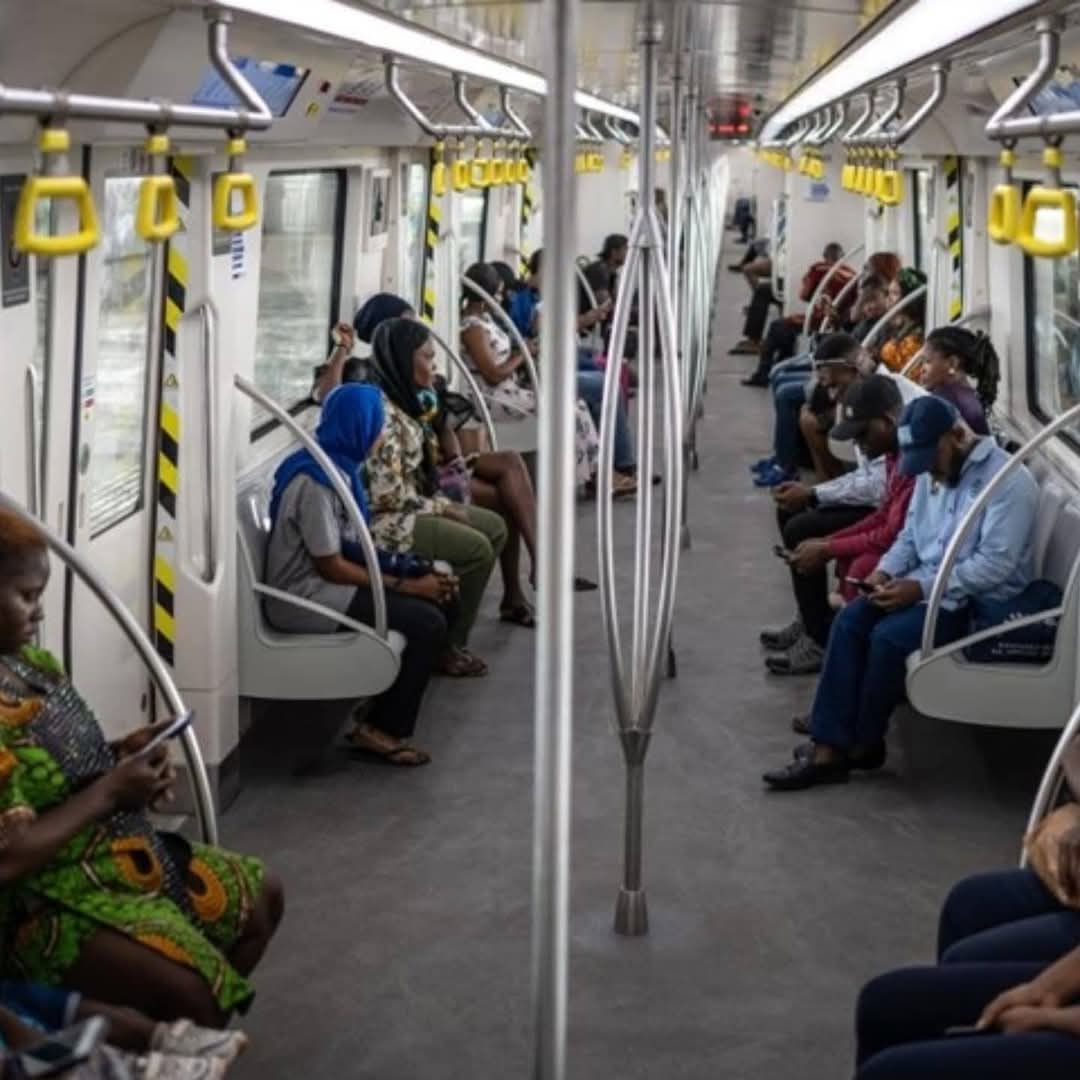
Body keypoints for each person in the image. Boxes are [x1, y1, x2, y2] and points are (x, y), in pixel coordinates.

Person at [0, 511, 283, 1024]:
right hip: (34, 899)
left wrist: (121, 753)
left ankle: (173, 1036)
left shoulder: (30, 667)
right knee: (193, 992)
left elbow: (55, 762)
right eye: (26, 596)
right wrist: (110, 792)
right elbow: (8, 858)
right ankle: (175, 1033)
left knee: (262, 897)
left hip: (107, 852)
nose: (38, 613)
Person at [763, 395, 1039, 790]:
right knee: (850, 619)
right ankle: (828, 745)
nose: (929, 472)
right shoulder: (931, 472)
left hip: (974, 600)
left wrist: (920, 587)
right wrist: (884, 571)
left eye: (931, 459)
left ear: (958, 436)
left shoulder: (1009, 484)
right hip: (925, 585)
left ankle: (862, 743)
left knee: (888, 639)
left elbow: (994, 567)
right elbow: (910, 536)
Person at [266, 384, 456, 762]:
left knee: (439, 590)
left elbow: (355, 546)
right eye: (378, 426)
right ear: (358, 426)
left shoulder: (341, 468)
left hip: (327, 583)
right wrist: (407, 586)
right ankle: (381, 729)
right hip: (304, 596)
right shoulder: (315, 484)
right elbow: (331, 565)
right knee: (426, 621)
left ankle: (387, 705)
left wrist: (414, 569)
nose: (381, 434)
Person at [366, 318, 511, 672]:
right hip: (385, 521)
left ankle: (452, 633)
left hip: (411, 505)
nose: (434, 366)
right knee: (475, 547)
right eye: (427, 357)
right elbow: (386, 497)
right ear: (403, 359)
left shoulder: (409, 401)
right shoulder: (382, 414)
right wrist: (442, 509)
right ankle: (446, 646)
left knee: (495, 527)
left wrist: (441, 505)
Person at [766, 376, 916, 678]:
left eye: (862, 435)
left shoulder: (911, 462)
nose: (859, 445)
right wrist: (827, 543)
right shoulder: (890, 451)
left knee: (818, 538)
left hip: (904, 536)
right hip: (889, 520)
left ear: (886, 422)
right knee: (798, 524)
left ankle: (821, 639)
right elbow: (885, 513)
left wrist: (827, 544)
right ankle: (813, 620)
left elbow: (889, 525)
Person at [459, 263, 623, 493]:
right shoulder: (472, 328)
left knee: (578, 405)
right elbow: (493, 374)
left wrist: (524, 352)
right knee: (572, 411)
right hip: (494, 398)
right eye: (499, 292)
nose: (503, 297)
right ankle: (587, 477)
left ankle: (597, 474)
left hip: (508, 391)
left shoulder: (485, 320)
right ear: (486, 295)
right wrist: (523, 354)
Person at [754, 332, 865, 489]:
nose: (832, 393)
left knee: (792, 399)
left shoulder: (870, 391)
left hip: (866, 480)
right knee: (806, 410)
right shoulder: (843, 380)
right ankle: (786, 460)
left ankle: (787, 465)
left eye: (833, 386)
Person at [739, 243, 856, 385]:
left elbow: (804, 295)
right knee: (785, 329)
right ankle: (780, 366)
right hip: (839, 324)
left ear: (825, 257)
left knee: (778, 326)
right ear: (842, 257)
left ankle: (763, 374)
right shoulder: (852, 276)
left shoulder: (818, 269)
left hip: (819, 321)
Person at [915, 325, 999, 435]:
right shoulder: (969, 396)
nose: (921, 370)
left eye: (927, 361)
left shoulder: (942, 401)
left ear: (952, 363)